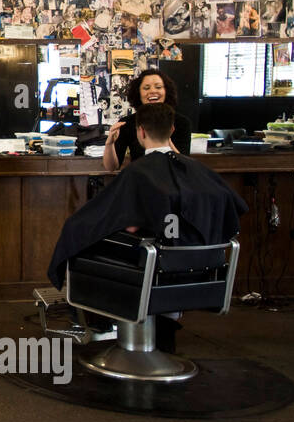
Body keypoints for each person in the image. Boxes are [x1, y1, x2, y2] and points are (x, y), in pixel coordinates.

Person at [48, 103, 248, 350]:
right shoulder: (199, 172)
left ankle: (104, 322)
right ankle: (167, 321)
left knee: (80, 236)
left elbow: (128, 226)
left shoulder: (139, 174)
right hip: (204, 269)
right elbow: (230, 213)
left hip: (156, 269)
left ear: (140, 132)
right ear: (172, 129)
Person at [102, 68, 193, 172]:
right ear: (138, 93)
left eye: (158, 87)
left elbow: (185, 166)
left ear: (166, 91)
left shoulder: (182, 123)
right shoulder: (126, 124)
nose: (153, 91)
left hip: (173, 182)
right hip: (141, 181)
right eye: (146, 88)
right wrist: (109, 144)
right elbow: (111, 167)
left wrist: (164, 138)